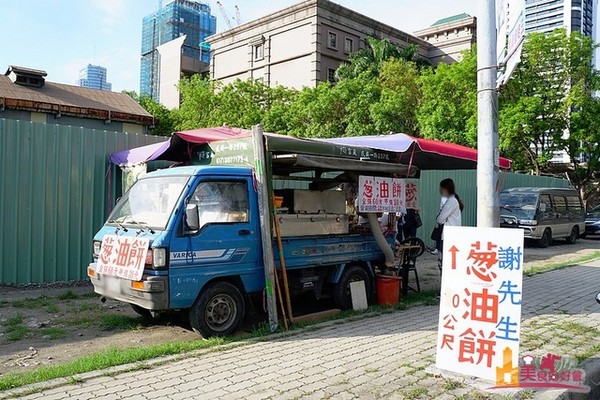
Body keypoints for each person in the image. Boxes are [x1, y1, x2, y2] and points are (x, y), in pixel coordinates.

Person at [436, 178, 463, 271]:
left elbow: (440, 218)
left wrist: (439, 218)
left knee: (446, 262)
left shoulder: (451, 201)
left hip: (449, 235)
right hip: (452, 234)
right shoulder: (453, 200)